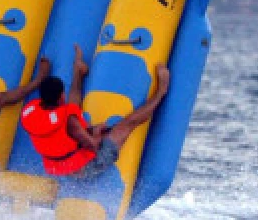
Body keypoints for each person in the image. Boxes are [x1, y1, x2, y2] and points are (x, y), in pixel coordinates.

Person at [20, 45, 170, 179]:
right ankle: (161, 92)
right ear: (61, 96)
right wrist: (96, 132)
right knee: (126, 125)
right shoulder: (70, 121)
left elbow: (61, 132)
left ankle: (78, 71)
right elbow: (92, 146)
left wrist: (88, 130)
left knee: (71, 111)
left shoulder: (30, 111)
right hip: (85, 169)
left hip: (60, 168)